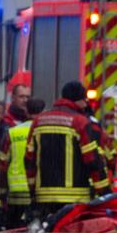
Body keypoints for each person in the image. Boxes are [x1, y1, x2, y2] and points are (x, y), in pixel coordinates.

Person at [26, 81, 108, 211]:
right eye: (84, 100)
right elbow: (92, 160)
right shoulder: (80, 122)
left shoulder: (39, 121)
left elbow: (29, 159)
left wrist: (32, 189)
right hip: (76, 197)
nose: (86, 104)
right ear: (77, 100)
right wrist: (103, 192)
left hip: (44, 197)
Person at [0, 97, 41, 229]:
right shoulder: (45, 132)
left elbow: (2, 164)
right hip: (38, 191)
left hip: (15, 192)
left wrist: (1, 193)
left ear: (26, 112)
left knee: (14, 229)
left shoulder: (13, 132)